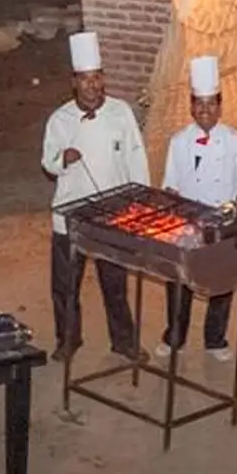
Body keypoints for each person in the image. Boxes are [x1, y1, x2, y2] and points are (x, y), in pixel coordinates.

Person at [41, 31, 148, 364]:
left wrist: (140, 204)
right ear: (74, 83)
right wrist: (63, 158)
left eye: (96, 78)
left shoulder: (121, 113)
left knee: (114, 283)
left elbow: (136, 157)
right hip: (70, 215)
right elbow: (47, 161)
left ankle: (124, 341)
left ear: (103, 79)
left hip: (112, 214)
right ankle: (68, 340)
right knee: (66, 285)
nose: (91, 85)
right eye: (85, 80)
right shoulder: (60, 119)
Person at [156, 54, 237, 361]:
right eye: (199, 103)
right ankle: (174, 336)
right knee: (180, 281)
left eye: (211, 103)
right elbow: (171, 186)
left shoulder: (236, 141)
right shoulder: (179, 141)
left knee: (222, 282)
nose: (205, 110)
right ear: (191, 105)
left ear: (220, 107)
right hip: (187, 221)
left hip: (222, 221)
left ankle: (215, 338)